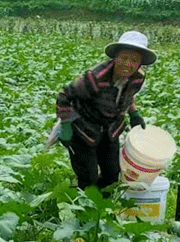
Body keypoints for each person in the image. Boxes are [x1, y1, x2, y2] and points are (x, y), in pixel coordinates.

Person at [53, 30, 156, 192]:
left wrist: (134, 113)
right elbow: (65, 96)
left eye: (134, 60)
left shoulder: (138, 78)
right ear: (115, 58)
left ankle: (100, 205)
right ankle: (84, 206)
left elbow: (127, 96)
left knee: (111, 175)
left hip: (110, 130)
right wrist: (65, 125)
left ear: (140, 64)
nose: (128, 64)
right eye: (124, 58)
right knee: (89, 177)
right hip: (83, 129)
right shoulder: (95, 78)